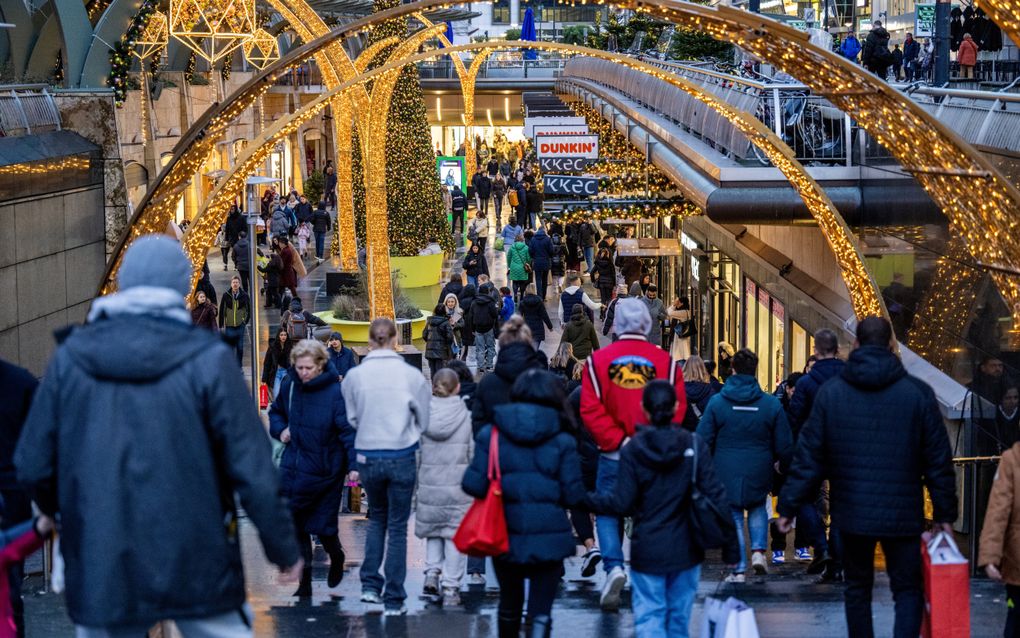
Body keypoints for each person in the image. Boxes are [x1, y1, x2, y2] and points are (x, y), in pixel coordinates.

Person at [15, 235, 302, 635]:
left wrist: (65, 511)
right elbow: (252, 467)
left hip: (104, 557)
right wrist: (282, 548)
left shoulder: (72, 360)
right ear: (181, 286)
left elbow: (32, 463)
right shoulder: (208, 360)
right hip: (197, 553)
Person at [777, 316, 957, 638]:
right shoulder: (917, 394)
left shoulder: (834, 394)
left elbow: (810, 454)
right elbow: (937, 459)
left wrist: (789, 505)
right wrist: (944, 514)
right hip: (903, 514)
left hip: (853, 512)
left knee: (857, 588)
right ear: (891, 345)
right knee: (907, 589)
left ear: (855, 345)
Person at [587, 381, 738, 638]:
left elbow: (622, 502)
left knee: (649, 616)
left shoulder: (634, 449)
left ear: (645, 409)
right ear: (677, 407)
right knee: (678, 620)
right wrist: (731, 546)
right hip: (687, 547)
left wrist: (584, 499)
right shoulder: (694, 445)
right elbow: (717, 495)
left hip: (648, 547)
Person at [462, 370, 586, 638]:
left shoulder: (492, 435)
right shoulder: (563, 439)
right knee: (541, 610)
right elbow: (574, 495)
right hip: (550, 535)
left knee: (509, 602)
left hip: (505, 532)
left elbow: (472, 484)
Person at [580, 298, 687, 610]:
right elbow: (676, 408)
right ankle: (647, 572)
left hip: (613, 456)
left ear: (617, 324)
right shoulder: (665, 363)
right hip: (652, 456)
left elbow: (590, 409)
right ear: (647, 323)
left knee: (608, 513)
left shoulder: (597, 362)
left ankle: (613, 566)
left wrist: (617, 440)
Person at [342, 318, 432, 616]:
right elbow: (424, 420)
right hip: (401, 454)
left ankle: (369, 585)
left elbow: (351, 418)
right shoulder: (410, 376)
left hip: (369, 454)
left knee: (377, 519)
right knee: (397, 526)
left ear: (369, 340)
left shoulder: (355, 376)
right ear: (395, 340)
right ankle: (394, 597)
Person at [697, 348, 793, 583]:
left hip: (725, 466)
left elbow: (703, 437)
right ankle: (759, 551)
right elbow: (784, 442)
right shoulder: (770, 404)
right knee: (758, 506)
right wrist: (783, 464)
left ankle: (739, 568)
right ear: (755, 370)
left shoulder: (718, 402)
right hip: (760, 465)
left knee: (735, 516)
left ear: (733, 369)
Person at [269, 339, 355, 598]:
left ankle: (336, 555)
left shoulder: (334, 393)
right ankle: (304, 583)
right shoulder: (290, 385)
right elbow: (276, 413)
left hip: (325, 471)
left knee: (324, 527)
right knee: (298, 526)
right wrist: (281, 430)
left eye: (308, 368)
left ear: (320, 365)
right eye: (299, 367)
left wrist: (353, 466)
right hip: (294, 467)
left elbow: (347, 432)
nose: (303, 372)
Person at [787, 329, 845, 576]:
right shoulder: (848, 377)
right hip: (844, 450)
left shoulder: (806, 383)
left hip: (813, 450)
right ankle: (835, 556)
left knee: (804, 499)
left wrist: (791, 453)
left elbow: (795, 419)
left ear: (815, 351)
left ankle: (821, 546)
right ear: (837, 350)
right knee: (842, 504)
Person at [415, 369, 473, 607]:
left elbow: (417, 454)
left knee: (434, 531)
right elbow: (472, 453)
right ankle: (451, 586)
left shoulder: (423, 417)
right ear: (458, 388)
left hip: (430, 484)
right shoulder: (466, 417)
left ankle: (431, 571)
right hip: (457, 486)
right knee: (454, 536)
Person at [0, 358, 36, 638]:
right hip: (12, 510)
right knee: (10, 598)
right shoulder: (20, 382)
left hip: (12, 509)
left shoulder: (20, 384)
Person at [979, 439, 1020, 635]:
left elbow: (998, 511)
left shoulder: (1012, 460)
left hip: (1017, 561)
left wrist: (990, 558)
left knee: (1016, 615)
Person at [468, 282, 500, 373]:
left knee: (480, 348)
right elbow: (495, 314)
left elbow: (471, 316)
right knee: (490, 347)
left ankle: (480, 366)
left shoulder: (474, 302)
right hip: (489, 327)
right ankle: (489, 365)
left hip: (478, 328)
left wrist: (472, 329)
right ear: (487, 291)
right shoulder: (491, 302)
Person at [218, 275, 250, 365]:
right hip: (229, 325)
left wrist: (245, 321)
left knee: (240, 347)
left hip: (240, 325)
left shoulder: (244, 295)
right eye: (233, 282)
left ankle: (239, 366)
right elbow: (222, 310)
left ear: (239, 284)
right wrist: (221, 325)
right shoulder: (226, 295)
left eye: (237, 282)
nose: (235, 284)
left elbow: (249, 309)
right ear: (231, 284)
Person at [680, 355, 716, 430]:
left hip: (683, 435)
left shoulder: (678, 390)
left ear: (685, 369)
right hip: (703, 434)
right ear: (703, 370)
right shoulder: (710, 391)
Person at [423, 303, 456, 378]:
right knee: (440, 372)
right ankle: (440, 388)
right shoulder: (446, 323)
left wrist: (430, 342)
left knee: (432, 371)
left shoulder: (429, 322)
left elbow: (424, 335)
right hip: (441, 351)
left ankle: (434, 387)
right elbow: (450, 337)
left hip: (430, 351)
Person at [518, 283, 553, 351]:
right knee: (535, 349)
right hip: (538, 327)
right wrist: (550, 326)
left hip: (527, 327)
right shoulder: (539, 301)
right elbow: (544, 315)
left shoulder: (523, 302)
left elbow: (519, 316)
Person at [262, 328, 294, 399]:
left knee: (286, 395)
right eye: (281, 335)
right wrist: (264, 379)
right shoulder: (273, 347)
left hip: (286, 372)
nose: (283, 337)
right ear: (278, 336)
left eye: (285, 335)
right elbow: (267, 363)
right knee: (276, 395)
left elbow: (294, 362)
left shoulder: (290, 347)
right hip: (276, 373)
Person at [529, 226, 554, 300]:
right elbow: (551, 251)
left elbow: (530, 251)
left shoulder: (533, 239)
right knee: (545, 279)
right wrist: (549, 256)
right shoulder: (548, 239)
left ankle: (539, 296)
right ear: (544, 231)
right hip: (546, 261)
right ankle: (544, 296)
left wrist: (534, 257)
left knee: (538, 279)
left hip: (537, 261)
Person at [507, 233, 532, 301]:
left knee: (515, 282)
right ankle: (521, 296)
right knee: (522, 282)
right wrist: (528, 263)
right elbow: (528, 258)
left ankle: (515, 294)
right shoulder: (526, 247)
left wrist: (509, 265)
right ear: (522, 240)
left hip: (514, 267)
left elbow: (508, 257)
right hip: (522, 268)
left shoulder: (512, 247)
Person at [667, 296, 693, 362]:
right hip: (682, 340)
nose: (676, 303)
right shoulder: (686, 311)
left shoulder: (683, 312)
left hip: (680, 342)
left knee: (680, 359)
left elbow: (668, 312)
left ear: (682, 303)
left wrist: (673, 305)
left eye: (678, 302)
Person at [590, 248, 616, 313]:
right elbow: (613, 274)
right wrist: (614, 284)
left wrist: (593, 281)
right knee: (609, 299)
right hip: (609, 283)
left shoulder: (598, 263)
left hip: (601, 282)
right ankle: (608, 313)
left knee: (603, 299)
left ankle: (602, 313)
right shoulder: (610, 263)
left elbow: (592, 273)